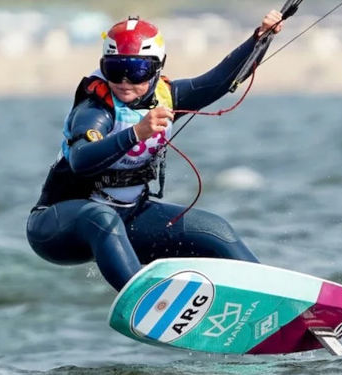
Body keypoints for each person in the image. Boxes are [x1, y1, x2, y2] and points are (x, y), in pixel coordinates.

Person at [27, 10, 284, 291]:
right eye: (115, 69)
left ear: (158, 67)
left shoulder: (166, 97)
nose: (124, 81)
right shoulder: (94, 109)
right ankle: (150, 301)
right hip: (58, 228)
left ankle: (277, 300)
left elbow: (218, 81)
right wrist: (137, 133)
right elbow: (80, 160)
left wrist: (260, 38)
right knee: (101, 217)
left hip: (128, 222)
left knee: (216, 230)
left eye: (137, 70)